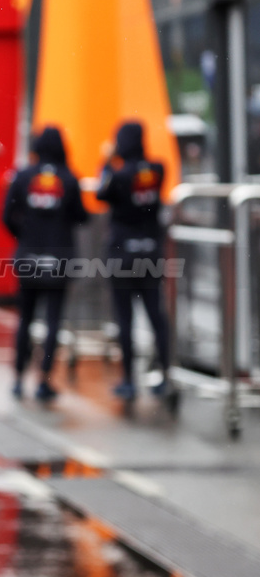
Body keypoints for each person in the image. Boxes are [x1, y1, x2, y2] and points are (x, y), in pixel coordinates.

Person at [2, 126, 89, 401]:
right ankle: (44, 380)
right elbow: (81, 216)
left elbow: (5, 215)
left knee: (25, 318)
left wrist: (24, 236)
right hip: (58, 261)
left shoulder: (23, 176)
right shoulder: (69, 178)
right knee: (52, 321)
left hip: (28, 258)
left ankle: (17, 378)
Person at [96, 119, 171, 400]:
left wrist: (106, 161)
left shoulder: (118, 175)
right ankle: (166, 374)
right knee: (156, 316)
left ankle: (128, 379)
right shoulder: (158, 169)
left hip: (122, 254)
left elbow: (102, 192)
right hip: (151, 251)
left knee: (124, 318)